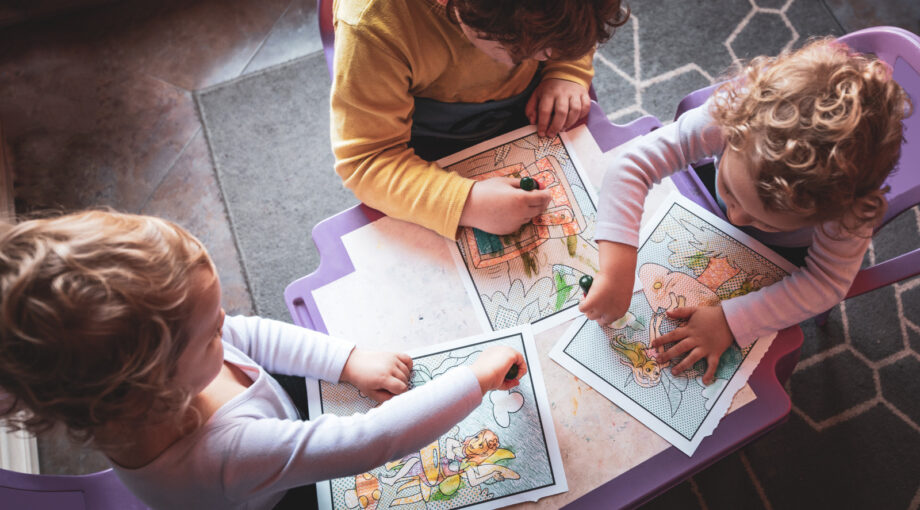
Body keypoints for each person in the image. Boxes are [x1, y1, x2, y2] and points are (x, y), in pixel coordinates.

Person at [0, 210, 527, 510]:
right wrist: (475, 380)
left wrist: (347, 361)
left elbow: (249, 336)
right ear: (149, 387)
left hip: (267, 425)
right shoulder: (222, 454)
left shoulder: (152, 382)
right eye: (209, 334)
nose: (226, 323)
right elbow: (370, 442)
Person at [578, 38, 910, 384]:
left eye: (761, 219)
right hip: (698, 204)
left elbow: (825, 283)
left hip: (785, 256)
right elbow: (632, 165)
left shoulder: (844, 213)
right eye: (732, 194)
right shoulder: (733, 115)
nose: (737, 217)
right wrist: (617, 267)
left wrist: (730, 321)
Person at [330, 0, 629, 238]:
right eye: (523, 50)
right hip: (425, 147)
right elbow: (367, 161)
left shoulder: (540, 28)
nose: (550, 54)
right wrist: (466, 203)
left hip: (531, 103)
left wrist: (568, 68)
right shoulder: (371, 25)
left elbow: (572, 18)